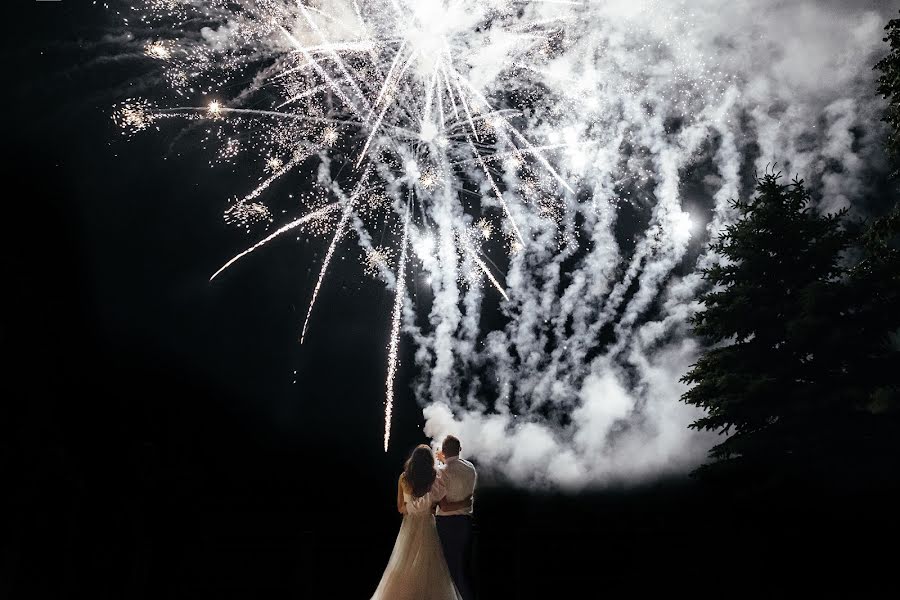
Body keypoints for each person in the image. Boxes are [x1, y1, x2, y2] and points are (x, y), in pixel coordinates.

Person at [370, 444, 470, 600]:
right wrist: (464, 503)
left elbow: (400, 508)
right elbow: (443, 505)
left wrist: (412, 507)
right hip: (428, 525)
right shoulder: (434, 478)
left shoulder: (404, 478)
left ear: (413, 460)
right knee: (430, 566)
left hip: (409, 525)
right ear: (429, 461)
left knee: (404, 563)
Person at [435, 435, 477, 600]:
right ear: (460, 450)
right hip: (466, 523)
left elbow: (444, 506)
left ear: (444, 452)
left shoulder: (442, 472)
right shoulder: (470, 468)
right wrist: (466, 503)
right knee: (464, 569)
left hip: (446, 524)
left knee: (450, 570)